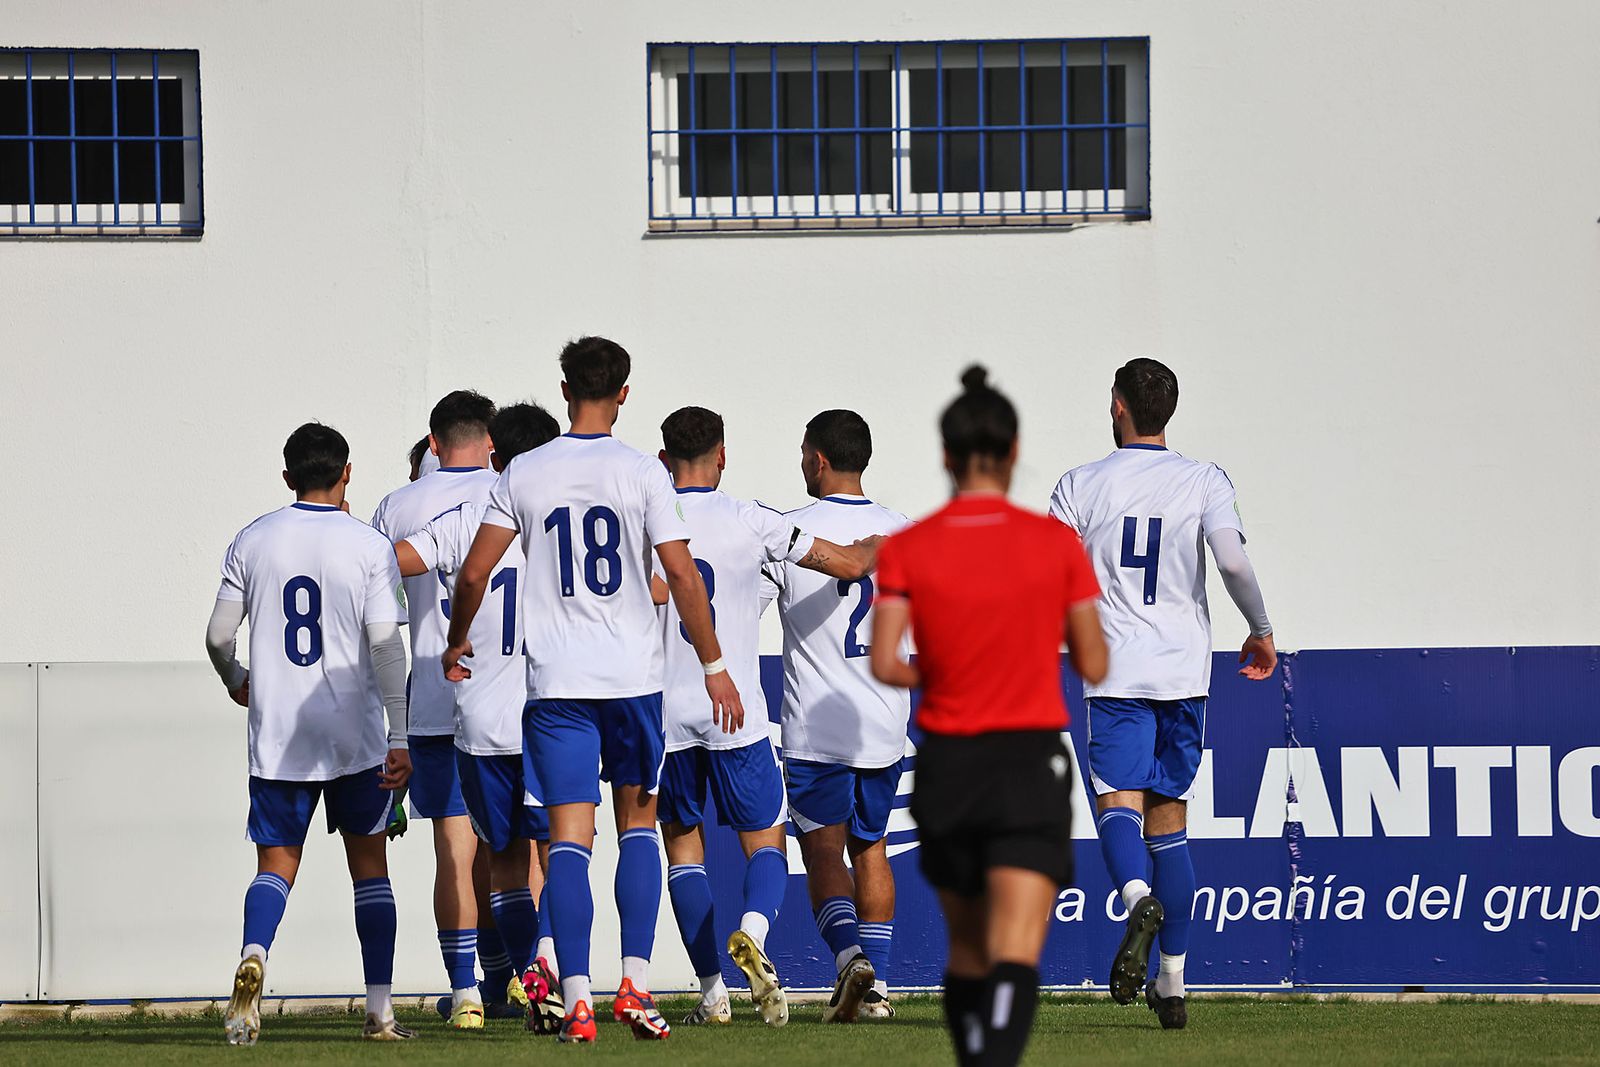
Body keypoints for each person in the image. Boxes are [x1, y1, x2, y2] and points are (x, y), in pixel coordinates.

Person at [442, 336, 740, 1044]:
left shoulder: (524, 472)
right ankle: (633, 983)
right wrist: (714, 661)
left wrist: (457, 638)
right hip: (632, 680)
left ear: (565, 385)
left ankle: (576, 996)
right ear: (625, 393)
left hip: (557, 686)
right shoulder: (642, 472)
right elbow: (685, 575)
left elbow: (474, 574)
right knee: (639, 827)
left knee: (568, 838)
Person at [871, 367, 1108, 1067]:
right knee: (1015, 948)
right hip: (1027, 761)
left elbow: (887, 662)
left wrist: (947, 670)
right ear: (1013, 450)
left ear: (946, 455)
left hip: (947, 764)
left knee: (968, 949)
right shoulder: (1053, 543)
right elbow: (1093, 661)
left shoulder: (909, 547)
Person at [1048, 357, 1277, 1029]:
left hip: (1115, 670)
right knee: (1170, 824)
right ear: (1167, 410)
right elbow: (1232, 559)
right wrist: (1261, 630)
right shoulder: (1204, 479)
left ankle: (1138, 896)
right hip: (1184, 673)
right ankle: (1172, 985)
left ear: (1118, 404)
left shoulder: (1080, 484)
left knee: (1117, 805)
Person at [649, 406, 878, 1028]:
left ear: (665, 458)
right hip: (736, 712)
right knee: (767, 843)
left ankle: (711, 993)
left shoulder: (644, 520)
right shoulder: (751, 519)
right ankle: (753, 931)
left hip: (665, 714)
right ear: (721, 456)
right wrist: (883, 542)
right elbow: (850, 565)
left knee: (683, 853)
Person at [205, 423, 416, 1045]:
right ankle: (379, 1011)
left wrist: (236, 678)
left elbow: (218, 635)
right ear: (346, 473)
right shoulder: (368, 544)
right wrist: (399, 735)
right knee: (370, 871)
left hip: (280, 734)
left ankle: (254, 954)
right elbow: (386, 646)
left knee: (275, 865)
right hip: (354, 732)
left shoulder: (255, 538)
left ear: (287, 475)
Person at [394, 402, 565, 1034]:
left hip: (460, 710)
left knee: (476, 856)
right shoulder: (559, 513)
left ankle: (474, 988)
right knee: (560, 852)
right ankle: (546, 976)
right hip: (556, 709)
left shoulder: (442, 512)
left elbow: (388, 567)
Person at [371, 389, 521, 1026]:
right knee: (518, 849)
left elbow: (375, 599)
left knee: (454, 850)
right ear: (490, 438)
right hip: (512, 697)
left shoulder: (398, 506)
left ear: (432, 443)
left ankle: (465, 993)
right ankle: (518, 977)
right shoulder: (516, 492)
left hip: (432, 698)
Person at [765, 409, 909, 1022]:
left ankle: (851, 961)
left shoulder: (787, 531)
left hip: (815, 724)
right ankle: (874, 994)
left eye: (803, 452)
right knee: (872, 848)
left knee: (823, 852)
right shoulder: (905, 532)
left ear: (818, 459)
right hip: (881, 721)